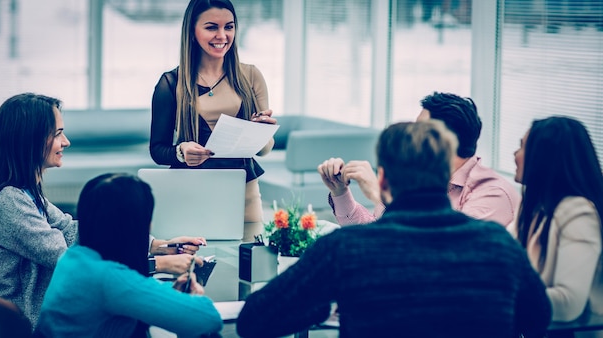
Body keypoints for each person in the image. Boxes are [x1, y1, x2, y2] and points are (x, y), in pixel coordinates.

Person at [237, 120, 551, 338]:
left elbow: (254, 320)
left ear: (383, 179)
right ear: (446, 175)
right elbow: (539, 318)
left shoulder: (347, 249)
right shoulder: (497, 244)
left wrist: (321, 304)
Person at [34, 173, 223, 337]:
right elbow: (208, 319)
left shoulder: (74, 257)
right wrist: (193, 299)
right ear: (135, 226)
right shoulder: (109, 279)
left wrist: (166, 297)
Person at [150, 0, 277, 242]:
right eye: (211, 27)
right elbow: (157, 150)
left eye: (229, 27)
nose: (222, 35)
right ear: (192, 31)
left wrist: (261, 132)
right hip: (190, 192)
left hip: (244, 192)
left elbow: (265, 150)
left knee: (248, 263)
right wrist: (181, 151)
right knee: (194, 266)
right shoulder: (170, 83)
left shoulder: (250, 76)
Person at [319, 91, 520, 227]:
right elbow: (378, 234)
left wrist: (382, 195)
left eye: (420, 130)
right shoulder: (414, 175)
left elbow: (442, 249)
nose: (412, 136)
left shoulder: (493, 193)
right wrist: (341, 192)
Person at [0, 93, 78, 329]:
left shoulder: (25, 193)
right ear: (29, 141)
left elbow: (69, 228)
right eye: (57, 134)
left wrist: (152, 245)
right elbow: (65, 257)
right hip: (29, 325)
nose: (66, 142)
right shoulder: (9, 201)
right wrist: (152, 264)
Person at [510, 116, 603, 327]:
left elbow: (568, 303)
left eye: (523, 147)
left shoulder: (579, 213)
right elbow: (501, 252)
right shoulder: (534, 207)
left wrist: (499, 295)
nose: (515, 155)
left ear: (543, 158)